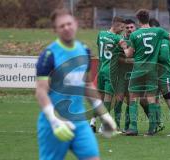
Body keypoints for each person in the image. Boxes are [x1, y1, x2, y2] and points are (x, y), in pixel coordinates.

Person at [35, 8, 116, 160]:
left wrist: (104, 115)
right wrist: (54, 120)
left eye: (69, 24)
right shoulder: (48, 55)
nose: (66, 28)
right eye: (61, 26)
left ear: (76, 24)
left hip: (79, 123)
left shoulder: (84, 51)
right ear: (55, 30)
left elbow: (88, 86)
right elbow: (41, 92)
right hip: (54, 124)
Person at [120, 9, 170, 136]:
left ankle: (133, 128)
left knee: (133, 98)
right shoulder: (158, 31)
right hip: (152, 70)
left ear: (138, 20)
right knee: (151, 99)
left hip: (138, 70)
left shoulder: (135, 35)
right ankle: (152, 129)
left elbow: (129, 54)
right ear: (148, 18)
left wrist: (124, 47)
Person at [149, 18, 170, 136]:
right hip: (154, 74)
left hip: (165, 76)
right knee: (154, 100)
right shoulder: (154, 41)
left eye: (151, 29)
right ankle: (156, 126)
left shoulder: (163, 41)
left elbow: (163, 58)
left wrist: (151, 57)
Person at [90, 17, 125, 133]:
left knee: (99, 98)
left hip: (100, 70)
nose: (122, 30)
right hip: (111, 71)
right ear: (115, 25)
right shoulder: (117, 38)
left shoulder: (100, 34)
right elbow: (126, 49)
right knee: (109, 99)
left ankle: (92, 122)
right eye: (121, 27)